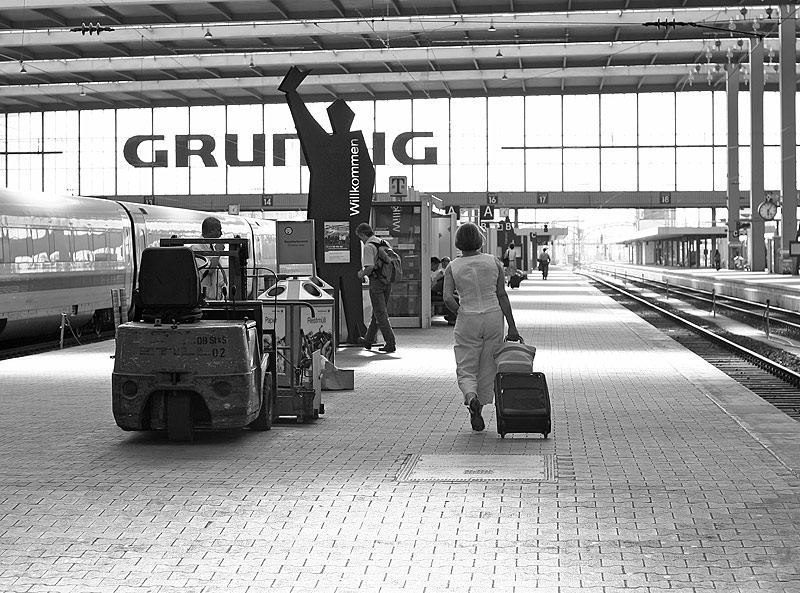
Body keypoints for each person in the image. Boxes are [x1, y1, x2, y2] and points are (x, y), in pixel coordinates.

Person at [444, 222, 520, 432]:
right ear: (479, 240)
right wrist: (512, 326)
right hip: (493, 316)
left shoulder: (453, 266)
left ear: (458, 242)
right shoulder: (493, 262)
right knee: (489, 365)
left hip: (468, 317)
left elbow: (447, 298)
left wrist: (461, 311)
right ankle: (482, 404)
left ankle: (471, 397)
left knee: (466, 364)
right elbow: (502, 295)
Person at [356, 222, 396, 353]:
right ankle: (368, 340)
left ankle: (390, 343)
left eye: (360, 237)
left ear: (362, 234)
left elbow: (370, 267)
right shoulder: (383, 243)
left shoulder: (368, 246)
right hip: (387, 281)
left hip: (376, 282)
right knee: (377, 312)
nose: (361, 240)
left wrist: (361, 273)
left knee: (380, 313)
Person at [193, 216, 228, 300]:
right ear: (210, 231)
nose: (221, 234)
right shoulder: (197, 248)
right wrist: (218, 252)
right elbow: (209, 270)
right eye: (218, 230)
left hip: (216, 295)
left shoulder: (211, 247)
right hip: (206, 298)